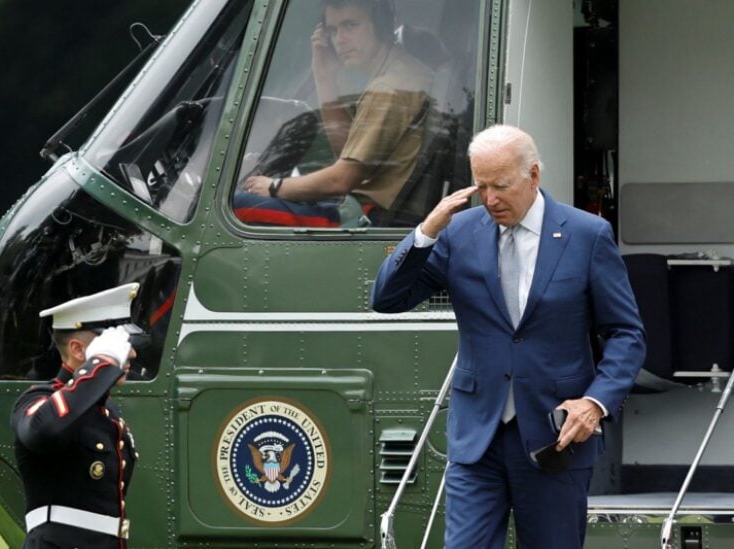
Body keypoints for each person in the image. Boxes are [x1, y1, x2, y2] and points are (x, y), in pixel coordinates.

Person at [371, 125, 645, 548]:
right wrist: (426, 231)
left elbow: (626, 334)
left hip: (556, 437)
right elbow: (388, 299)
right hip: (477, 438)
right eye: (480, 186)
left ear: (533, 175)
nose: (490, 199)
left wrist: (595, 403)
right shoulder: (460, 233)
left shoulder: (587, 235)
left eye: (500, 186)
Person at [234, 0, 432, 227]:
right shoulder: (399, 71)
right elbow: (347, 151)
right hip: (371, 208)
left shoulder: (389, 88)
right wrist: (325, 77)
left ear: (381, 25)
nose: (340, 40)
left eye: (351, 25)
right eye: (333, 30)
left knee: (239, 206)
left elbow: (343, 178)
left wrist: (273, 186)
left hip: (370, 218)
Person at [10, 283, 144, 548]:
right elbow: (43, 430)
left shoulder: (107, 413)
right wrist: (102, 364)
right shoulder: (37, 400)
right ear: (79, 350)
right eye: (117, 346)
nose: (131, 354)